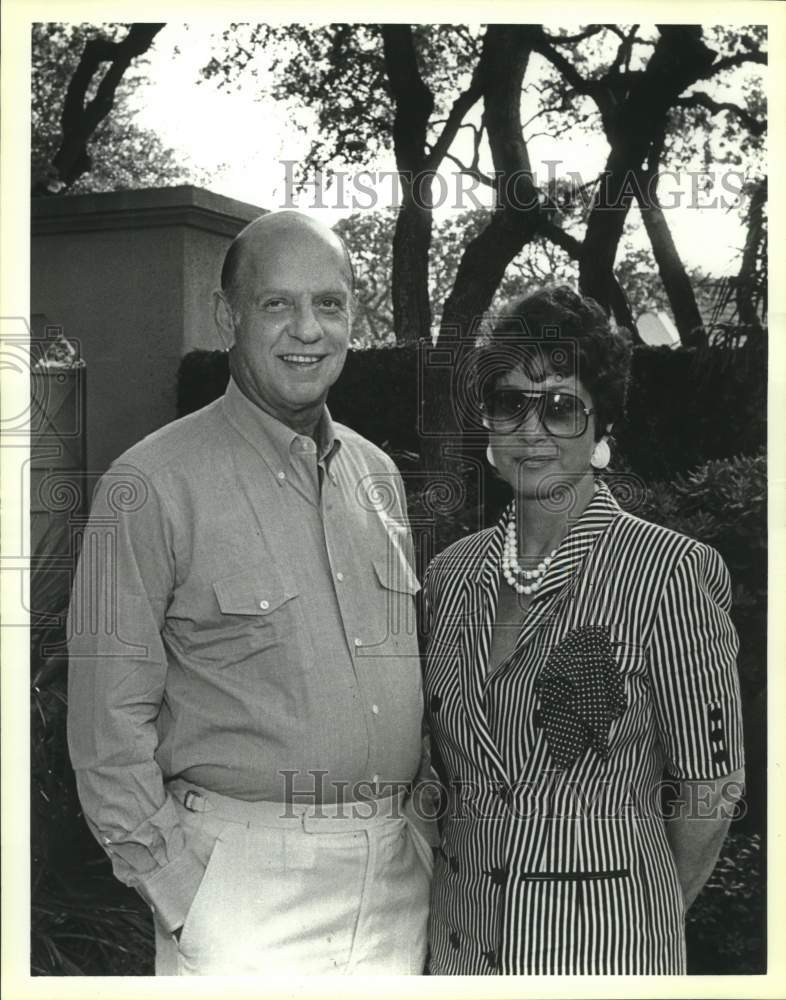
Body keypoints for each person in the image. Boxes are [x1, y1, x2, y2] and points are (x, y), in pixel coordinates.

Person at [67, 211, 432, 976]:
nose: (308, 329)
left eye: (329, 304)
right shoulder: (149, 485)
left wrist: (423, 839)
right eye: (278, 305)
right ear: (227, 316)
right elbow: (107, 724)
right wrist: (180, 892)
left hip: (396, 883)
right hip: (239, 894)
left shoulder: (379, 477)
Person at [421, 285, 745, 975]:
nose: (532, 430)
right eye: (510, 402)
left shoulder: (669, 575)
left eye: (562, 407)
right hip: (457, 954)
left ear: (602, 432)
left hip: (604, 956)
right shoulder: (448, 578)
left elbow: (709, 794)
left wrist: (638, 920)